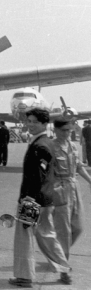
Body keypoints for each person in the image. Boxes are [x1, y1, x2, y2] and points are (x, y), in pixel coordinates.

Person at [10, 108, 71, 288]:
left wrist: (28, 201)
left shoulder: (40, 146)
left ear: (45, 124)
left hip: (33, 200)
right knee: (48, 235)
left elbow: (38, 176)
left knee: (24, 236)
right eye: (28, 121)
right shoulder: (47, 142)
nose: (30, 124)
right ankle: (64, 269)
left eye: (34, 122)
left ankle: (24, 277)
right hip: (45, 199)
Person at [50, 117, 91, 280]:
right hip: (59, 189)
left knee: (79, 227)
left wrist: (90, 180)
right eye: (63, 130)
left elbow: (79, 166)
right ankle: (63, 271)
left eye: (69, 130)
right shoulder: (50, 147)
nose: (67, 133)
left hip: (74, 187)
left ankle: (56, 253)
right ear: (56, 130)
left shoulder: (72, 145)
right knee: (64, 232)